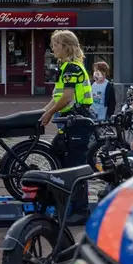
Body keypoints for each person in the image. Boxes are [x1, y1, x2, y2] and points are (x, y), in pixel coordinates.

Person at [39, 30, 94, 223]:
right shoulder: (66, 67)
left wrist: (49, 113)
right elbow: (57, 97)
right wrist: (43, 111)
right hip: (70, 121)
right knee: (56, 156)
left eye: (56, 44)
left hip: (77, 121)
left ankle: (81, 210)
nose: (52, 48)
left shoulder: (72, 68)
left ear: (66, 47)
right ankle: (65, 204)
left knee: (75, 166)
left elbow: (67, 98)